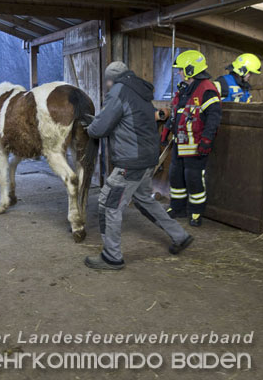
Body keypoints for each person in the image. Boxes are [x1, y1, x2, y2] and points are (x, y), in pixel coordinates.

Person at [83, 61, 194, 271]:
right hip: (148, 159)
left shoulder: (118, 91)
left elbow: (100, 129)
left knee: (108, 204)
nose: (107, 85)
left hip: (131, 162)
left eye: (108, 81)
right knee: (144, 200)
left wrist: (89, 127)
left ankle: (112, 257)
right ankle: (180, 235)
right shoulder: (140, 91)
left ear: (111, 79)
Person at [161, 50, 222, 227]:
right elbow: (176, 113)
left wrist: (207, 140)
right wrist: (166, 131)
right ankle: (177, 208)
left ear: (190, 69)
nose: (179, 72)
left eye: (181, 69)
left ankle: (196, 211)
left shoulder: (207, 90)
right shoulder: (184, 90)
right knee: (176, 176)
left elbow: (214, 118)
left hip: (196, 145)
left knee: (193, 178)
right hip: (180, 143)